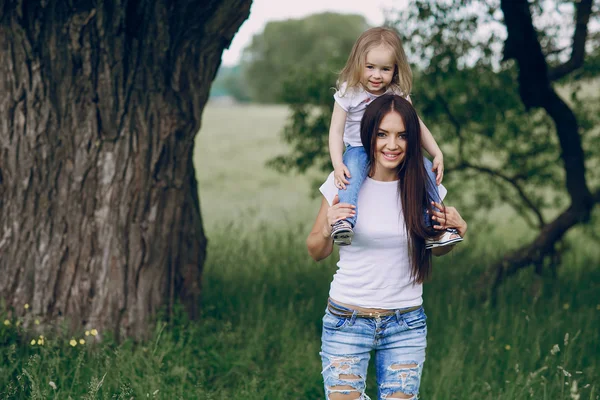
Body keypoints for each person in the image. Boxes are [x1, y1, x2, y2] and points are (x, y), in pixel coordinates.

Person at [307, 95, 468, 399]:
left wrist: (459, 229)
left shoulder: (422, 183)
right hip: (347, 319)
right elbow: (316, 250)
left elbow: (436, 247)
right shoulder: (343, 180)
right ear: (368, 134)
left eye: (402, 135)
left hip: (405, 325)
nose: (391, 145)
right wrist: (329, 226)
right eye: (382, 134)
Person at [328, 27, 462, 249]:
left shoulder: (397, 93)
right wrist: (337, 162)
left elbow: (416, 125)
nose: (376, 75)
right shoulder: (349, 91)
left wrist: (436, 152)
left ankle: (436, 228)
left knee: (426, 171)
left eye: (385, 69)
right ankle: (344, 223)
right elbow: (335, 131)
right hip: (359, 148)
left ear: (395, 70)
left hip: (394, 149)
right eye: (370, 67)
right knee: (349, 178)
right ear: (358, 63)